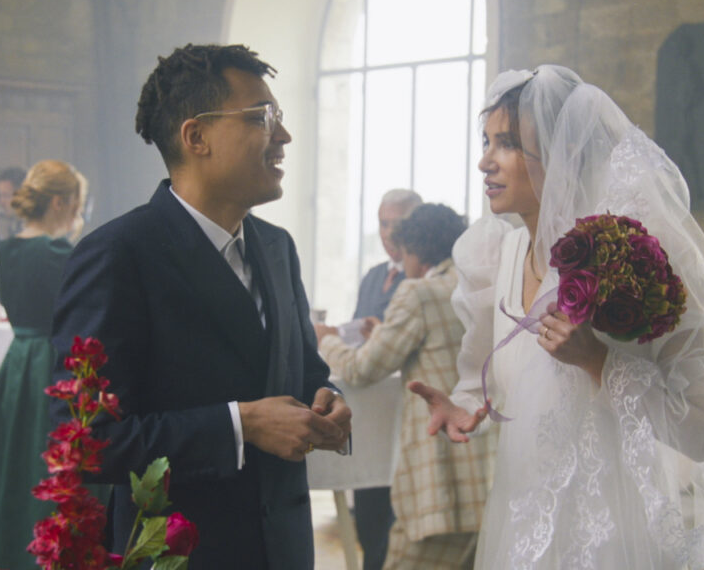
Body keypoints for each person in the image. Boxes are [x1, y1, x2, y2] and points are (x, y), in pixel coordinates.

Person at [409, 66, 704, 569]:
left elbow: (700, 432)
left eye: (508, 144)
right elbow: (487, 379)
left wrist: (599, 362)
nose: (484, 162)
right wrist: (465, 405)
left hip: (610, 538)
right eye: (486, 142)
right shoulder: (495, 256)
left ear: (564, 154)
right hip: (519, 524)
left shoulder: (628, 261)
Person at [50, 44, 351, 569]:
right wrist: (240, 426)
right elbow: (87, 443)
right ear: (196, 137)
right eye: (261, 117)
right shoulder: (118, 255)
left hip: (283, 546)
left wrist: (328, 400)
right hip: (184, 551)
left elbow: (305, 372)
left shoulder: (277, 247)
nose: (283, 135)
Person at [317, 203, 493, 569]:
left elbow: (362, 368)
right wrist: (384, 332)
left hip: (438, 482)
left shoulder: (417, 293)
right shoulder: (477, 287)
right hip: (485, 474)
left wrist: (326, 340)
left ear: (413, 249)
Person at [0, 159, 91, 570]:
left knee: (13, 463)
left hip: (17, 363)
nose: (80, 212)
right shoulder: (57, 252)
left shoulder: (7, 249)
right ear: (60, 202)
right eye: (78, 203)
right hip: (53, 364)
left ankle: (5, 551)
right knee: (47, 462)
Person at [346, 187, 421, 570]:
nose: (389, 233)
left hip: (404, 413)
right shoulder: (373, 277)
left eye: (397, 223)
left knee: (396, 526)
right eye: (382, 223)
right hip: (369, 413)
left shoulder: (422, 281)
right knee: (368, 517)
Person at [0, 166, 27, 240]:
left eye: (6, 195)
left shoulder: (34, 228)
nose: (1, 202)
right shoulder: (16, 225)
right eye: (0, 195)